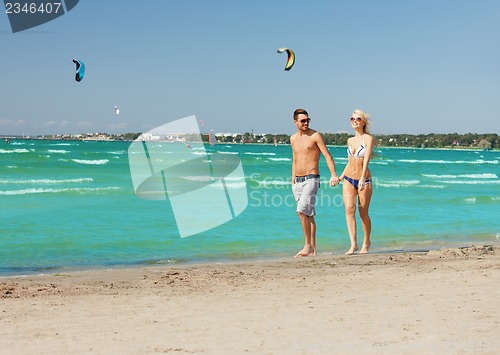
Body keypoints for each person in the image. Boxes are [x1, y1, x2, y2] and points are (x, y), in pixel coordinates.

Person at [291, 108, 340, 257]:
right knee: (308, 214)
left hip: (312, 178)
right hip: (297, 181)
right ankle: (313, 248)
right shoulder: (292, 138)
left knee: (301, 211)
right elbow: (295, 158)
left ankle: (307, 246)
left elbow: (327, 156)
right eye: (302, 121)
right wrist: (292, 178)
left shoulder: (315, 136)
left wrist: (333, 174)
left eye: (308, 120)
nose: (306, 123)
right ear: (295, 122)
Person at [339, 109, 375, 255]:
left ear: (363, 122)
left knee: (363, 213)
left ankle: (366, 242)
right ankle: (353, 244)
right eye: (352, 119)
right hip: (348, 178)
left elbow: (365, 159)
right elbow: (349, 162)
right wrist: (340, 177)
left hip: (363, 180)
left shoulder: (368, 139)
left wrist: (361, 178)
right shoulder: (350, 140)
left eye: (358, 119)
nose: (354, 121)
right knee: (349, 210)